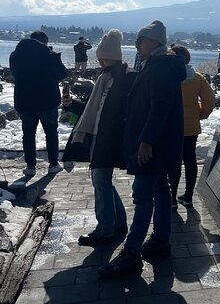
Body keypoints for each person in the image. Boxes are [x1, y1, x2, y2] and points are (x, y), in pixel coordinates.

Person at [98, 20, 186, 278]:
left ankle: (132, 253)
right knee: (160, 191)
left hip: (153, 146)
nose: (137, 44)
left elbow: (159, 107)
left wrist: (146, 140)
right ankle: (160, 241)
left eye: (141, 40)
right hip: (159, 144)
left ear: (155, 42)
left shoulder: (159, 68)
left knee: (143, 195)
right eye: (136, 40)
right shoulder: (160, 65)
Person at [61, 29, 136, 246]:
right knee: (103, 182)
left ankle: (105, 230)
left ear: (105, 57)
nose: (101, 61)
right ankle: (118, 224)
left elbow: (112, 113)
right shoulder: (109, 78)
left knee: (101, 182)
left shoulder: (119, 80)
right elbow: (94, 110)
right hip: (101, 137)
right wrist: (71, 104)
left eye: (102, 57)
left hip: (107, 139)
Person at [9, 31, 68, 176]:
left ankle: (30, 166)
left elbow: (14, 73)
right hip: (47, 101)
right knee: (51, 132)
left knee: (28, 134)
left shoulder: (16, 56)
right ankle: (53, 164)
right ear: (45, 41)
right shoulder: (49, 56)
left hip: (24, 101)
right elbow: (62, 74)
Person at [168, 45, 215, 208]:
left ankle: (171, 198)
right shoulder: (197, 78)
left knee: (173, 161)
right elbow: (209, 100)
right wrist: (201, 113)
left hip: (170, 126)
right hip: (191, 125)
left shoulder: (167, 76)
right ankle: (188, 196)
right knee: (190, 159)